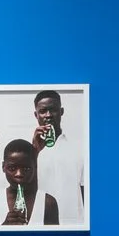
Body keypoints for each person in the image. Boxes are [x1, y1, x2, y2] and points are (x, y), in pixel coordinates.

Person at [31, 89, 87, 227]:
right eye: (43, 111)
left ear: (61, 112)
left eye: (53, 110)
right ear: (36, 115)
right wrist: (34, 151)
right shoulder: (30, 151)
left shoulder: (79, 148)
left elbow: (86, 190)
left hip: (74, 222)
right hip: (40, 223)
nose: (48, 115)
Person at [0, 138, 57, 225]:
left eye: (26, 168)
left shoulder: (48, 202)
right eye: (12, 168)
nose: (19, 174)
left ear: (35, 167)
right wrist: (4, 227)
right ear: (3, 167)